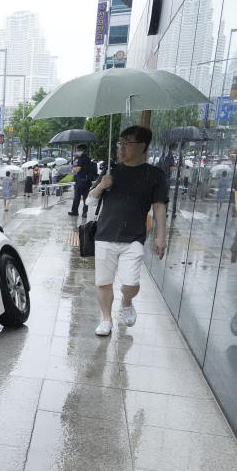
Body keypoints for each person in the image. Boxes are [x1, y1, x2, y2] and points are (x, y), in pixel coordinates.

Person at [86, 125, 168, 337]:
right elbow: (90, 200)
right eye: (120, 143)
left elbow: (159, 206)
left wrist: (161, 237)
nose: (121, 148)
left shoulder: (154, 175)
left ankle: (127, 301)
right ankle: (106, 319)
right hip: (105, 235)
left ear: (142, 146)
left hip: (134, 238)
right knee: (103, 282)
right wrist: (102, 185)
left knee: (130, 283)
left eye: (127, 143)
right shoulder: (111, 171)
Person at [69, 144, 94, 216]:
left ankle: (75, 211)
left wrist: (72, 168)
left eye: (78, 150)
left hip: (80, 180)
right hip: (87, 180)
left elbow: (78, 169)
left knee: (77, 196)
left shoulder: (80, 158)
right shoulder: (88, 158)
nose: (77, 151)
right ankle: (84, 212)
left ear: (82, 150)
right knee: (86, 197)